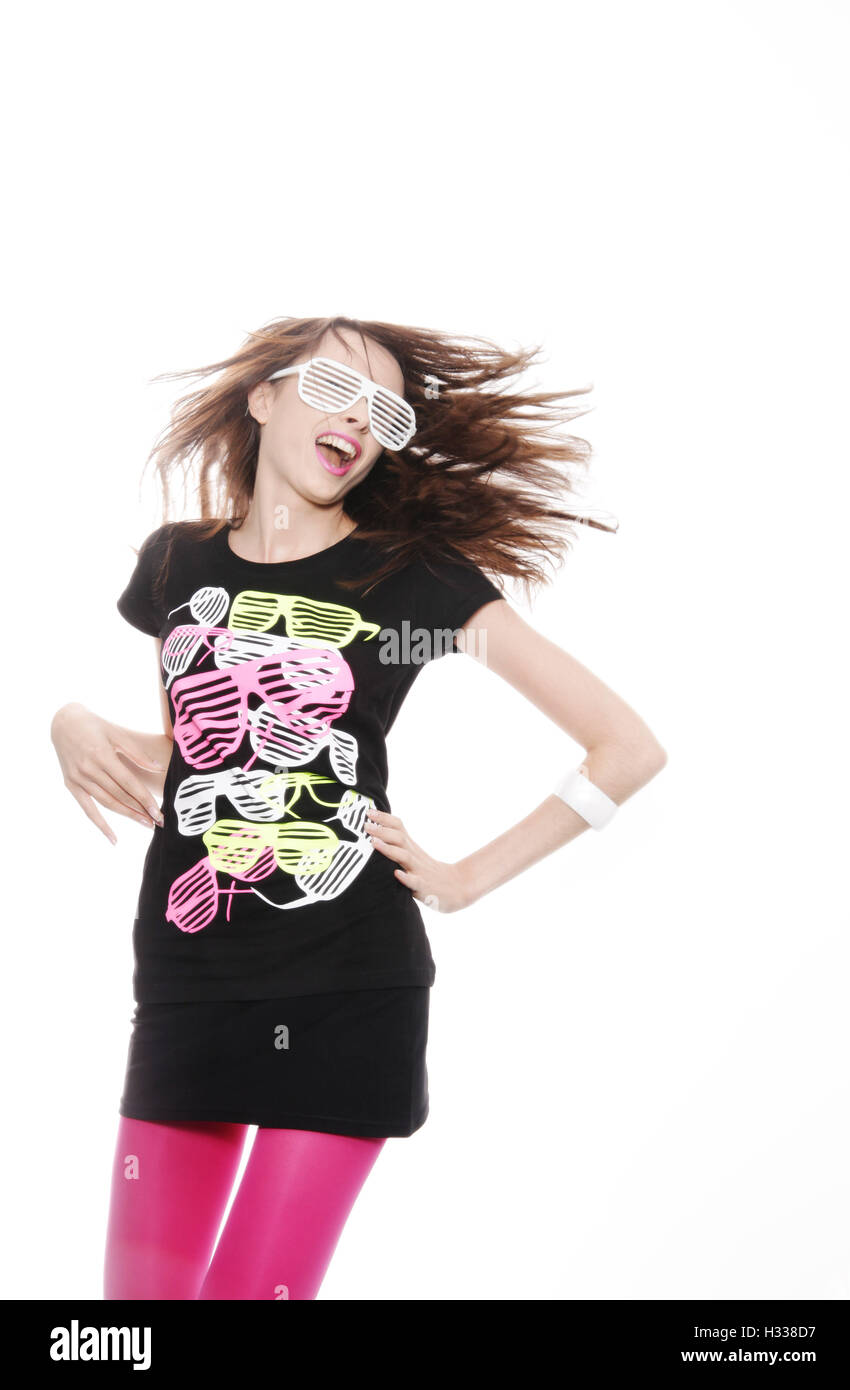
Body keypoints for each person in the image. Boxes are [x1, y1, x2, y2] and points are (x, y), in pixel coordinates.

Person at [50, 314, 667, 1300]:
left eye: (385, 411)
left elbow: (626, 747)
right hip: (184, 984)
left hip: (344, 988)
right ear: (264, 397)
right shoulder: (176, 564)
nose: (359, 421)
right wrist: (70, 720)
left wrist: (466, 878)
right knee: (136, 1321)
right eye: (333, 388)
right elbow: (196, 753)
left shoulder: (413, 579)